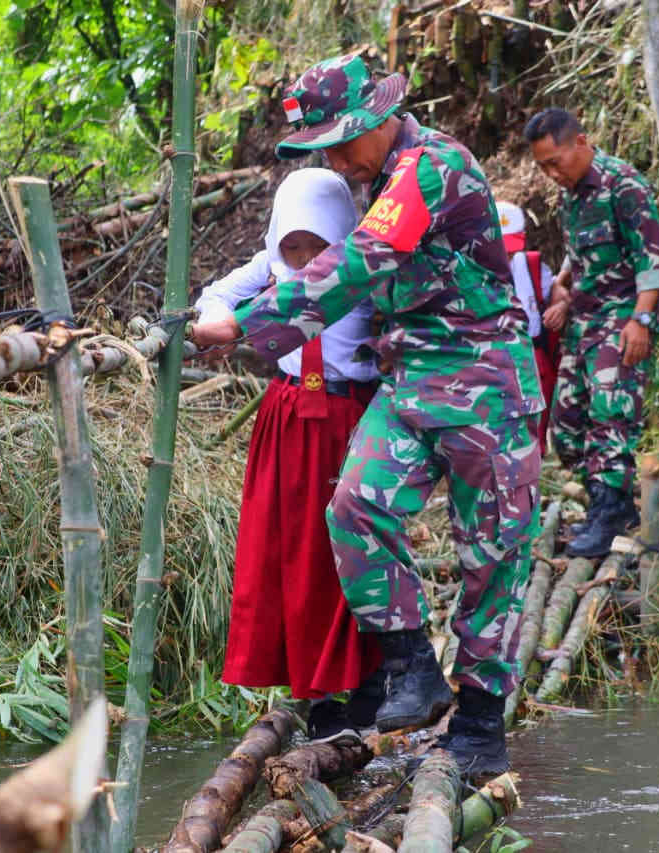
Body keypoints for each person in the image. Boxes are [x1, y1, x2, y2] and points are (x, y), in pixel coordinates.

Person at [190, 54, 543, 777]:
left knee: (492, 554)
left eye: (342, 139)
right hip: (412, 379)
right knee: (353, 505)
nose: (337, 158)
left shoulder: (430, 166)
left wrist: (252, 324)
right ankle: (412, 663)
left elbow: (362, 259)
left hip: (484, 381)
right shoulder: (382, 177)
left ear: (382, 119)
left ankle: (480, 722)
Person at [193, 168, 383, 740]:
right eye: (292, 245)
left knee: (350, 551)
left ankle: (369, 677)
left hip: (352, 422)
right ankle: (317, 692)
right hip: (290, 421)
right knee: (296, 554)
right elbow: (218, 297)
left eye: (316, 245)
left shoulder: (363, 269)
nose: (303, 260)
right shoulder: (270, 268)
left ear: (339, 235)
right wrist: (211, 321)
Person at [525, 107, 659, 558]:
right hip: (585, 320)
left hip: (622, 318)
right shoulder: (573, 196)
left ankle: (608, 515)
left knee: (611, 415)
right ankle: (610, 504)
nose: (552, 174)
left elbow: (653, 259)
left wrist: (641, 321)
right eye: (543, 167)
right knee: (567, 427)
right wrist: (563, 287)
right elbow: (581, 250)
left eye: (556, 161)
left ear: (582, 143)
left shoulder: (623, 185)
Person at [495, 200, 561, 450]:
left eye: (511, 248)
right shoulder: (468, 267)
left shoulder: (531, 265)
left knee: (535, 426)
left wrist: (560, 307)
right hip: (494, 359)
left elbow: (558, 291)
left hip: (532, 355)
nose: (507, 255)